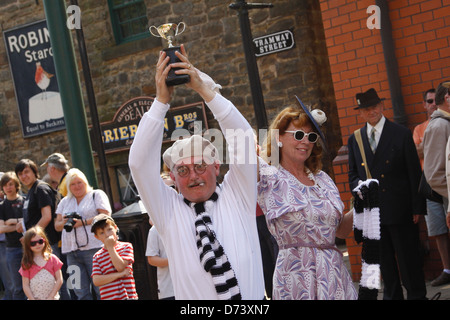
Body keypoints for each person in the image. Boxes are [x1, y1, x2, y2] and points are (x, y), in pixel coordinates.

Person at [129, 46, 265, 300]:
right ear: (172, 176)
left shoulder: (238, 194)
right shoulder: (167, 210)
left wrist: (204, 89)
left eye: (200, 166)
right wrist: (160, 103)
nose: (193, 176)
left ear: (216, 167)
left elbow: (244, 140)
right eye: (183, 170)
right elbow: (138, 164)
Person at [257, 100, 357, 300]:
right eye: (299, 135)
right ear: (278, 138)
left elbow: (341, 231)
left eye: (311, 137)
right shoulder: (268, 176)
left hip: (334, 275)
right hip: (296, 278)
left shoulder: (323, 179)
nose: (306, 142)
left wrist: (361, 206)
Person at [348, 88, 426, 300]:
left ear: (382, 106)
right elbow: (352, 174)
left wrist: (417, 207)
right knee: (385, 264)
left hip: (400, 209)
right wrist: (360, 186)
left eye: (374, 106)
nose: (371, 111)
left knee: (408, 260)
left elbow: (414, 172)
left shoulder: (400, 133)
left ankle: (417, 296)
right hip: (373, 213)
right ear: (360, 113)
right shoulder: (355, 139)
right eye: (366, 108)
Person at [54, 168, 111, 300]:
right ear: (68, 187)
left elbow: (106, 215)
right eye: (72, 184)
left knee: (101, 289)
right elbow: (57, 226)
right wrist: (64, 222)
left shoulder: (96, 195)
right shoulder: (65, 202)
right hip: (71, 253)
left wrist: (83, 222)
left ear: (85, 182)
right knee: (80, 291)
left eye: (79, 182)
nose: (77, 186)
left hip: (94, 250)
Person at [414, 88, 450, 287]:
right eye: (429, 101)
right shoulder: (423, 128)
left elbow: (422, 149)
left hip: (445, 185)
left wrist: (424, 146)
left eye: (434, 100)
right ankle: (447, 269)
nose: (432, 104)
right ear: (424, 104)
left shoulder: (442, 123)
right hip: (431, 187)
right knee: (438, 230)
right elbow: (416, 152)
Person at [14, 159, 60, 252]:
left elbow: (46, 217)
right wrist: (23, 224)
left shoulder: (40, 188)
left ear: (34, 172)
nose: (24, 176)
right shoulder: (31, 190)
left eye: (26, 172)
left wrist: (30, 236)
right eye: (20, 174)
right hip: (38, 244)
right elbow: (35, 215)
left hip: (47, 243)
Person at [91, 214, 138, 300]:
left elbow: (120, 267)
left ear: (116, 228)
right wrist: (120, 274)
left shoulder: (126, 246)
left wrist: (110, 247)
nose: (107, 234)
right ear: (96, 237)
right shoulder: (97, 256)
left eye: (109, 229)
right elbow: (96, 280)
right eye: (102, 233)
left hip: (129, 296)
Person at [0, 172, 26, 300]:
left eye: (10, 184)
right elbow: (1, 229)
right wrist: (19, 224)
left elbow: (30, 222)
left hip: (29, 247)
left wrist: (12, 221)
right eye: (5, 185)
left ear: (16, 185)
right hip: (11, 249)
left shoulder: (25, 201)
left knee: (33, 283)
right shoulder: (1, 206)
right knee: (17, 287)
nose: (8, 188)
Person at [19, 226, 63, 300]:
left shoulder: (52, 258)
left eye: (40, 241)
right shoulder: (27, 262)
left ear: (44, 240)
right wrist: (32, 298)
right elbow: (25, 285)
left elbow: (59, 279)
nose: (37, 245)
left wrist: (51, 296)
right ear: (27, 245)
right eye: (33, 243)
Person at [146, 224, 174, 300]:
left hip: (193, 285)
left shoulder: (189, 222)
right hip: (169, 290)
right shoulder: (154, 230)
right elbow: (151, 259)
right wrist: (174, 261)